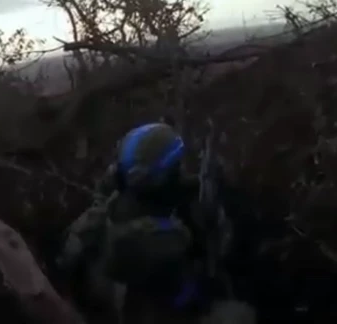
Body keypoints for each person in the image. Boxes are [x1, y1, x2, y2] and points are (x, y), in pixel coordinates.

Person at [56, 122, 231, 323]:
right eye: (176, 167)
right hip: (147, 311)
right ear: (161, 179)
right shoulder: (161, 237)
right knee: (238, 314)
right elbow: (187, 295)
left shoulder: (105, 211)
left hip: (100, 302)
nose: (181, 171)